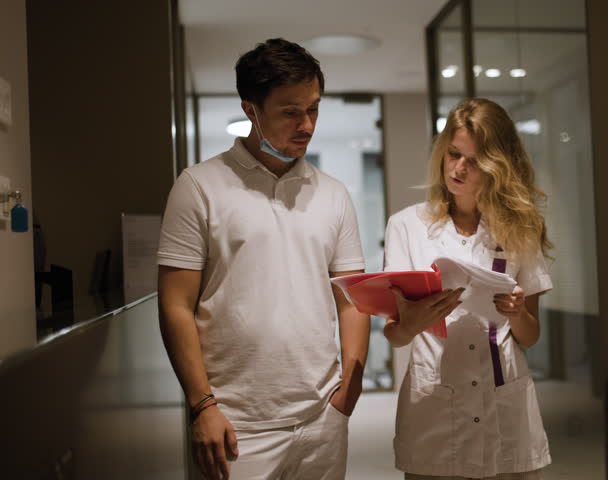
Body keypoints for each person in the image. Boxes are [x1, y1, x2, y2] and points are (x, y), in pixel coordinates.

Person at [157, 38, 370, 480]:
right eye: (290, 112)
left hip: (322, 418)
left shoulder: (333, 194)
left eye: (313, 108)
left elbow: (352, 299)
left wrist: (350, 383)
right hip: (236, 424)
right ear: (251, 110)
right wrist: (202, 405)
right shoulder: (198, 186)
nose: (307, 124)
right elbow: (176, 305)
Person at [383, 98, 554, 479]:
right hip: (435, 410)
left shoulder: (520, 229)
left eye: (474, 161)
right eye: (454, 154)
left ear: (498, 166)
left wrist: (517, 313)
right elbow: (395, 335)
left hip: (505, 407)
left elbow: (531, 335)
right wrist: (412, 321)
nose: (459, 168)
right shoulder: (406, 226)